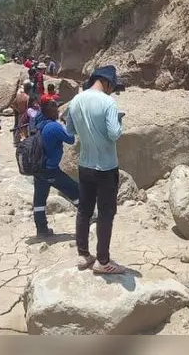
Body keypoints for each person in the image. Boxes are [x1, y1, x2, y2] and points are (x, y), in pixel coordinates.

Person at [66, 65, 125, 274]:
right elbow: (114, 134)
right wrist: (119, 119)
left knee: (84, 209)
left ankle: (83, 255)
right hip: (106, 167)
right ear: (107, 82)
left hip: (85, 164)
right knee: (106, 213)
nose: (113, 90)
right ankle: (103, 260)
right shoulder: (108, 102)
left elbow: (70, 130)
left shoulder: (75, 100)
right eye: (113, 86)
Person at [32, 100, 79, 238]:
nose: (58, 112)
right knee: (75, 190)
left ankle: (41, 230)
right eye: (55, 110)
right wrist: (67, 123)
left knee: (39, 201)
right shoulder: (53, 126)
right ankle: (88, 217)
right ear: (50, 112)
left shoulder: (39, 125)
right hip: (51, 169)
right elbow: (70, 139)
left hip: (39, 169)